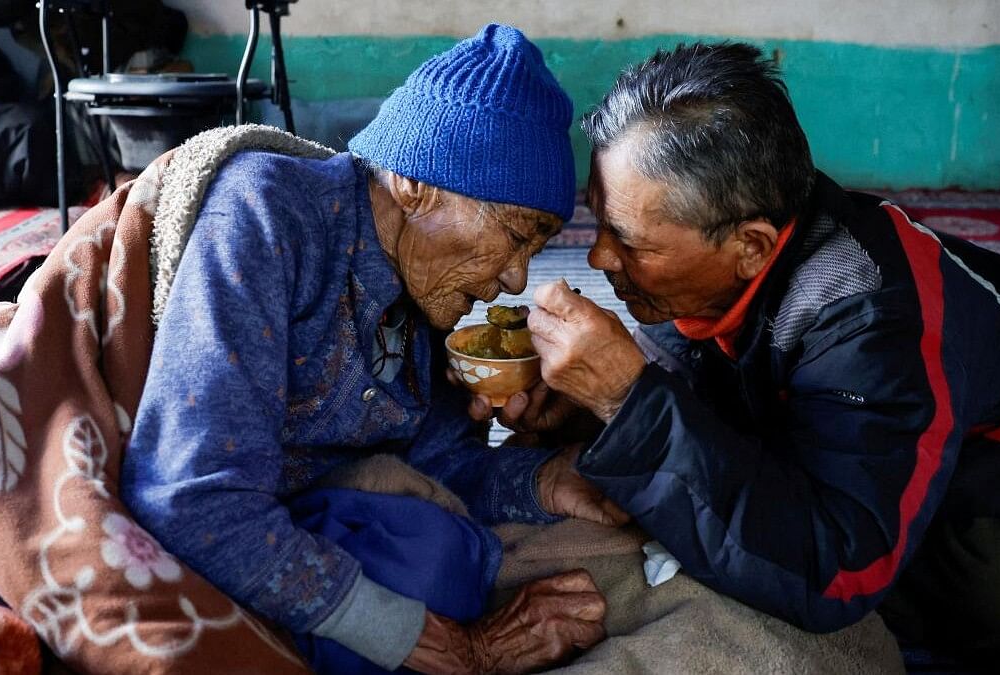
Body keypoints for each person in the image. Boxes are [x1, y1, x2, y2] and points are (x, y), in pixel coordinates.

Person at [470, 42, 1000, 672]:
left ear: (751, 247)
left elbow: (839, 572)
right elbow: (705, 409)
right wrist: (586, 411)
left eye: (626, 240)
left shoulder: (868, 318)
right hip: (945, 460)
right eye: (597, 223)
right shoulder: (725, 265)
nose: (596, 259)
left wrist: (624, 399)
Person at [121, 24, 624, 675]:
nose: (517, 278)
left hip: (291, 502)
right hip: (207, 503)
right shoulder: (265, 215)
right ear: (417, 188)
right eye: (518, 235)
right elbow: (190, 493)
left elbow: (438, 465)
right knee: (435, 564)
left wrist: (546, 481)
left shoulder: (421, 291)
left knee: (451, 545)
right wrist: (454, 649)